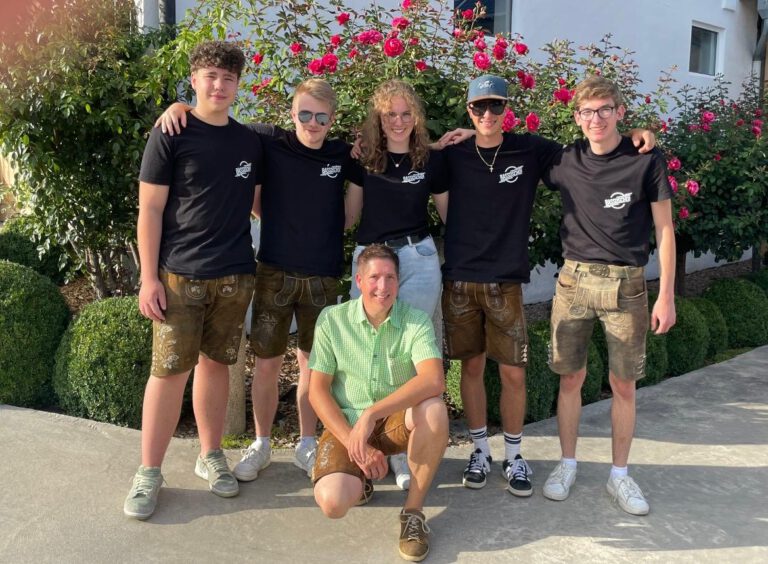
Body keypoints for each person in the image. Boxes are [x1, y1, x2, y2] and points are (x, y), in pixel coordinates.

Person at [438, 75, 656, 499]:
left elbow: (594, 144)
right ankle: (480, 450)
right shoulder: (453, 153)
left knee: (513, 372)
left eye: (496, 106)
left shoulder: (530, 149)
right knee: (471, 368)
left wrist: (635, 134)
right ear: (468, 111)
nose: (487, 114)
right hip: (461, 278)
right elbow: (415, 155)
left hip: (507, 280)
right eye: (479, 107)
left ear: (507, 109)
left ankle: (514, 455)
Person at [158, 79, 358, 481]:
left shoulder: (343, 154)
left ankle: (307, 443)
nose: (312, 123)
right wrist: (181, 108)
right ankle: (262, 443)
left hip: (323, 275)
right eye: (305, 113)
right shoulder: (268, 141)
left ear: (332, 119)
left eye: (321, 117)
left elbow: (352, 212)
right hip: (274, 271)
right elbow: (216, 119)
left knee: (313, 365)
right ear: (292, 113)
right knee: (266, 363)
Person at [124, 41, 262, 520]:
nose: (219, 86)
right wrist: (148, 278)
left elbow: (261, 200)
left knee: (216, 366)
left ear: (238, 84)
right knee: (167, 374)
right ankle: (149, 472)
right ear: (195, 80)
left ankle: (211, 455)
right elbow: (150, 209)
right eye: (210, 76)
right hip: (179, 276)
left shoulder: (250, 141)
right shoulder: (171, 132)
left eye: (228, 78)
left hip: (234, 275)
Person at [541, 76, 675, 515]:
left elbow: (665, 229)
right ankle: (567, 464)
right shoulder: (565, 160)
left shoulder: (645, 160)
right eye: (587, 111)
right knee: (570, 379)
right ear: (577, 117)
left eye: (604, 110)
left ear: (620, 112)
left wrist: (667, 295)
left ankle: (619, 475)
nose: (595, 119)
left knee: (624, 384)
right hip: (574, 282)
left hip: (627, 285)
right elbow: (510, 148)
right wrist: (468, 134)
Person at [309, 244, 448, 562]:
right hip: (348, 424)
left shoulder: (415, 321)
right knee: (332, 503)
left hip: (394, 421)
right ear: (359, 281)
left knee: (435, 410)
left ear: (399, 281)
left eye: (390, 278)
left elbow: (433, 380)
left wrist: (372, 413)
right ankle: (360, 476)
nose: (382, 286)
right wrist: (355, 441)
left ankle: (413, 514)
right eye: (374, 277)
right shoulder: (332, 320)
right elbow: (317, 391)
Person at [344, 79, 449, 491]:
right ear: (379, 118)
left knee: (410, 356)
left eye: (406, 114)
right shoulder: (364, 158)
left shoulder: (431, 160)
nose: (399, 121)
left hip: (418, 259)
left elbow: (450, 216)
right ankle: (365, 446)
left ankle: (402, 449)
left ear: (416, 117)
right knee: (365, 353)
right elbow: (349, 217)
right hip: (372, 259)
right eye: (390, 114)